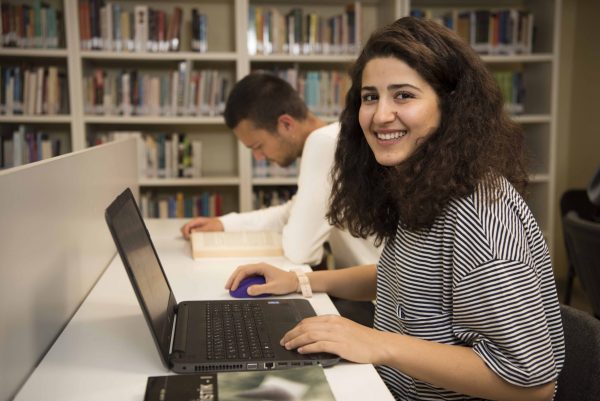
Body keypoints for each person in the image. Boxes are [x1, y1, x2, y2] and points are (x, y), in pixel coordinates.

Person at [225, 17, 565, 401]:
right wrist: (299, 281)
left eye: (403, 95)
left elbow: (533, 383)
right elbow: (402, 276)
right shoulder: (427, 182)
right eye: (370, 97)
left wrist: (379, 343)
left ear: (450, 105)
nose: (380, 115)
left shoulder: (479, 214)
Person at [180, 73, 381, 269]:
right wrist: (223, 224)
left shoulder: (324, 142)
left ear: (286, 124)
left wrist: (291, 234)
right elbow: (291, 212)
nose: (258, 157)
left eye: (258, 146)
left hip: (372, 297)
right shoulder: (336, 139)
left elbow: (299, 251)